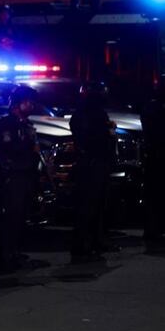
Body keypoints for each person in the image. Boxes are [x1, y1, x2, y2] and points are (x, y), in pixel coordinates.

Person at [0, 86, 41, 271]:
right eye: (28, 102)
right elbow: (0, 153)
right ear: (19, 103)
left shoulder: (26, 125)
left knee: (21, 217)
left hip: (26, 175)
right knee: (11, 217)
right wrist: (9, 171)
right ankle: (7, 256)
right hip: (12, 178)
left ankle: (15, 252)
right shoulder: (4, 126)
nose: (32, 105)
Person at [69, 81, 118, 262]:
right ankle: (82, 244)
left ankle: (96, 240)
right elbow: (87, 140)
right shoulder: (83, 115)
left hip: (100, 163)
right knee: (87, 206)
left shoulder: (97, 113)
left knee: (99, 205)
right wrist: (107, 132)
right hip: (90, 164)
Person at [140, 81, 165, 250]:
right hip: (158, 156)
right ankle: (154, 229)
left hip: (153, 155)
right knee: (156, 194)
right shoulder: (156, 109)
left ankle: (153, 228)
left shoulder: (150, 107)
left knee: (154, 194)